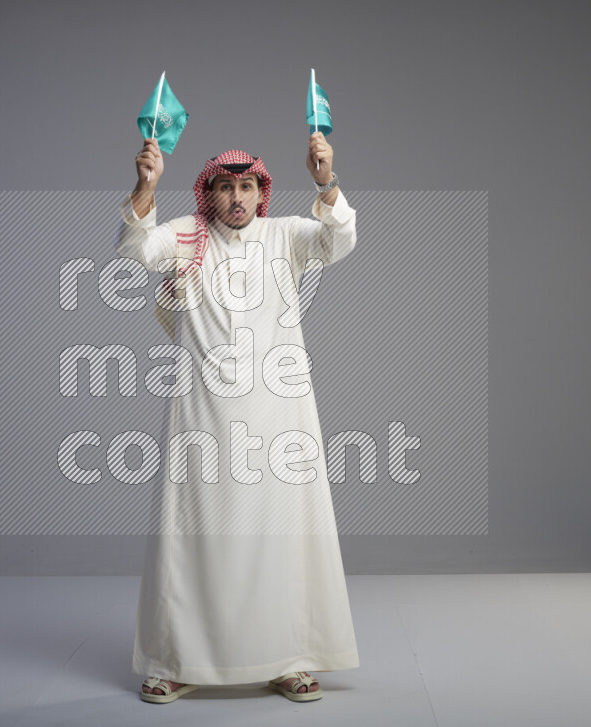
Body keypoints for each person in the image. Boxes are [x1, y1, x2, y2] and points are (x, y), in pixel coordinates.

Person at [114, 133, 360, 703]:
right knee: (194, 538)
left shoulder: (286, 235)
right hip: (201, 416)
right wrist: (146, 185)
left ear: (260, 192)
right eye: (225, 187)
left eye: (246, 186)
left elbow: (339, 239)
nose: (236, 198)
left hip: (279, 416)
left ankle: (287, 658)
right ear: (210, 194)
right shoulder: (187, 236)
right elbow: (133, 248)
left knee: (280, 540)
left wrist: (326, 180)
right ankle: (175, 662)